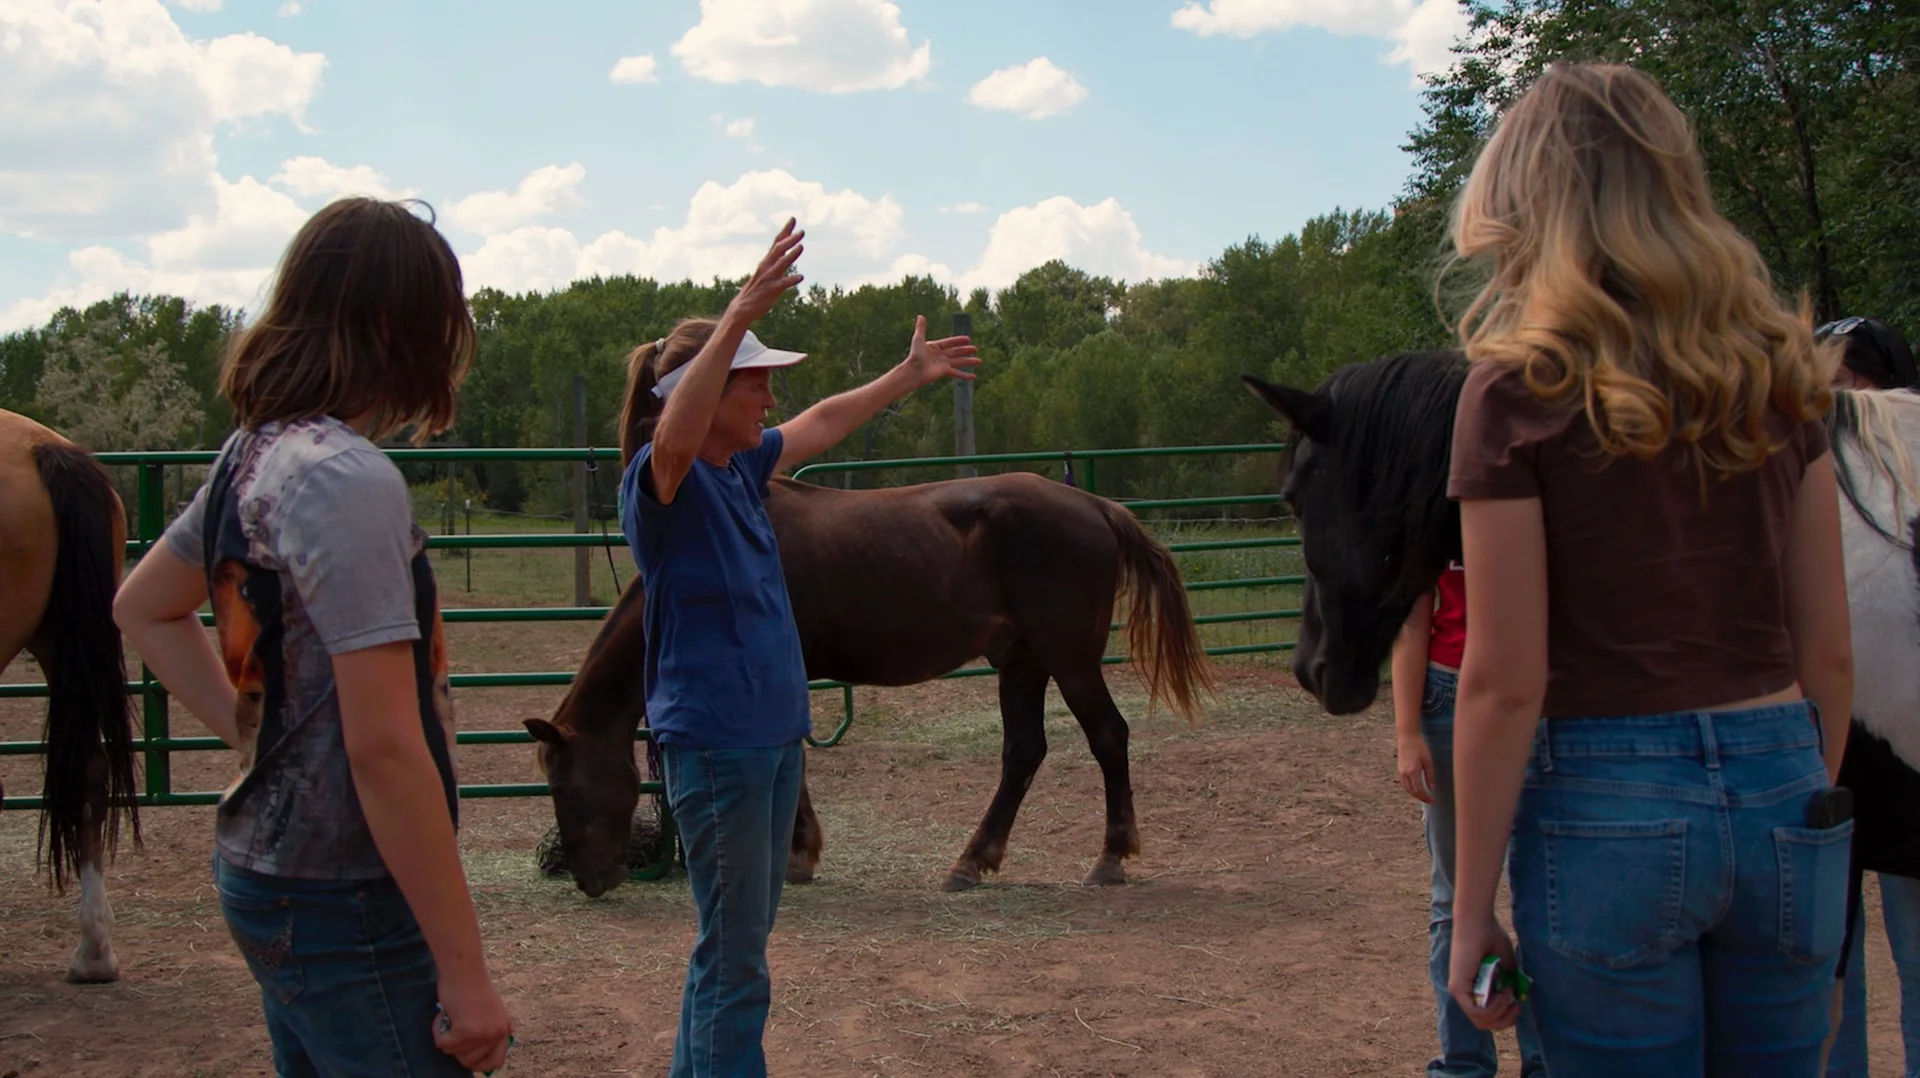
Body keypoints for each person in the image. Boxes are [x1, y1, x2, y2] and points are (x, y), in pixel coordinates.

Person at [1440, 63, 1856, 1076]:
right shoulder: (1779, 373)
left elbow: (1503, 680)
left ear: (1523, 198)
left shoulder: (1517, 389)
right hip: (1787, 781)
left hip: (1602, 803)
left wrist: (1469, 907)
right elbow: (1830, 649)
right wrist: (1800, 806)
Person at [112, 197, 514, 1077]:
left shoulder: (250, 455)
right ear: (390, 323)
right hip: (350, 896)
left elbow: (143, 606)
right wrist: (466, 972)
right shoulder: (346, 479)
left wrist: (261, 743)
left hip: (269, 872)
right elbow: (385, 752)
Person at [618, 219, 979, 1077]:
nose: (769, 403)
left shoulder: (740, 470)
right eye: (753, 387)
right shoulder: (661, 484)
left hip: (768, 745)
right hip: (719, 748)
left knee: (731, 949)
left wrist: (906, 374)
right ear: (700, 397)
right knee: (736, 960)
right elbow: (672, 436)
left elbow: (823, 419)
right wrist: (741, 311)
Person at [1392, 560, 1547, 1077]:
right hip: (1450, 697)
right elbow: (1413, 620)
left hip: (1543, 695)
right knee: (1453, 901)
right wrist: (1407, 732)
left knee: (1546, 900)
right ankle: (1463, 1065)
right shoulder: (1429, 500)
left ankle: (1543, 1061)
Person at [1819, 314, 1920, 1078]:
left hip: (1900, 758)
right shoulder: (1809, 467)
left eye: (1848, 382)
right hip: (1833, 763)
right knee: (1830, 970)